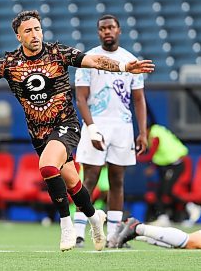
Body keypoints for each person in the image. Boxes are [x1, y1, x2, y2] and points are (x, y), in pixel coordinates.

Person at [0, 10, 154, 251]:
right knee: (73, 183)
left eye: (37, 29)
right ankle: (94, 220)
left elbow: (93, 60)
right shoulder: (10, 64)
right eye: (28, 31)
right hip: (39, 134)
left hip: (66, 125)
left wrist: (123, 68)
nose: (35, 34)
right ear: (19, 36)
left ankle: (66, 226)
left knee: (47, 167)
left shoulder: (59, 53)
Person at [73, 14, 148, 248]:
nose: (107, 31)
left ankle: (115, 236)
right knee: (90, 177)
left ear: (119, 30)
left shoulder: (130, 60)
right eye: (103, 28)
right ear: (98, 32)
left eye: (111, 27)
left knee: (117, 179)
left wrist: (142, 131)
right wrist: (92, 129)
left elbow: (139, 100)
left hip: (122, 127)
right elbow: (81, 98)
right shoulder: (88, 60)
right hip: (96, 123)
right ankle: (78, 232)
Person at [138, 123, 201, 226]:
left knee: (166, 190)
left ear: (147, 129)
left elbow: (151, 155)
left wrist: (134, 158)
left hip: (176, 164)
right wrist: (153, 167)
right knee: (160, 191)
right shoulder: (158, 132)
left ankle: (191, 207)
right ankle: (163, 217)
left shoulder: (156, 135)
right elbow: (160, 153)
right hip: (169, 165)